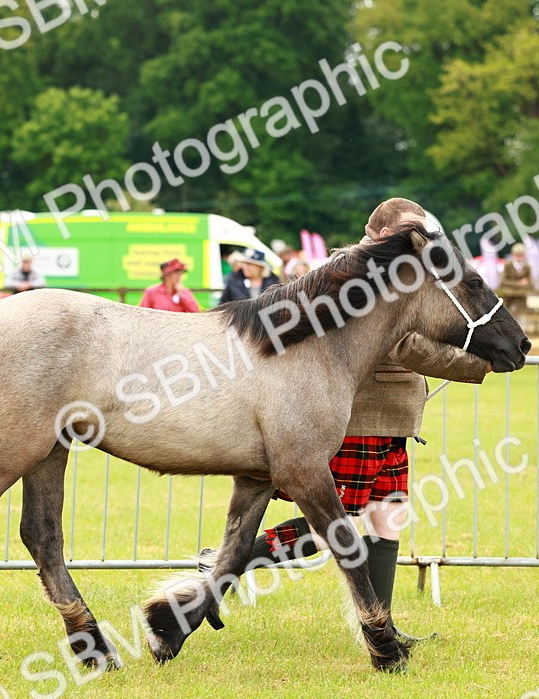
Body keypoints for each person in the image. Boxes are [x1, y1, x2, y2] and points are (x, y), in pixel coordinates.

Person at [200, 198, 492, 626]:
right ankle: (226, 562)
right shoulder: (354, 272)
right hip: (360, 417)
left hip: (395, 419)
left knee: (389, 517)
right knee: (333, 527)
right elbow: (404, 345)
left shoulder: (398, 273)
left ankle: (381, 624)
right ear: (382, 234)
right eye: (411, 235)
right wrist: (476, 364)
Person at [500, 243, 532, 319]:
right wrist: (519, 283)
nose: (518, 258)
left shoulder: (527, 267)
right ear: (513, 255)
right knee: (506, 315)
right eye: (517, 255)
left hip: (522, 296)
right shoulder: (507, 265)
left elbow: (530, 283)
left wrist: (525, 285)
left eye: (521, 255)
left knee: (522, 317)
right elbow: (503, 281)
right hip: (508, 296)